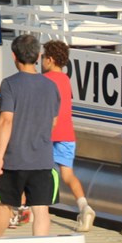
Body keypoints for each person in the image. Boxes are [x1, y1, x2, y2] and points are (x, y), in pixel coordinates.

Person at [0, 33, 61, 237]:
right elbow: (53, 122)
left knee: (5, 205)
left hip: (14, 158)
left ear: (14, 56)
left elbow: (6, 120)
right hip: (42, 157)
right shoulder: (50, 85)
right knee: (41, 209)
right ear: (38, 56)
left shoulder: (10, 84)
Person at [42, 40, 95, 231]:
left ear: (49, 59)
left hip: (47, 133)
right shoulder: (65, 79)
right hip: (67, 133)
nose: (40, 60)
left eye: (43, 56)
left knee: (37, 172)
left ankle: (31, 210)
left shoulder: (44, 79)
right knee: (68, 174)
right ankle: (84, 206)